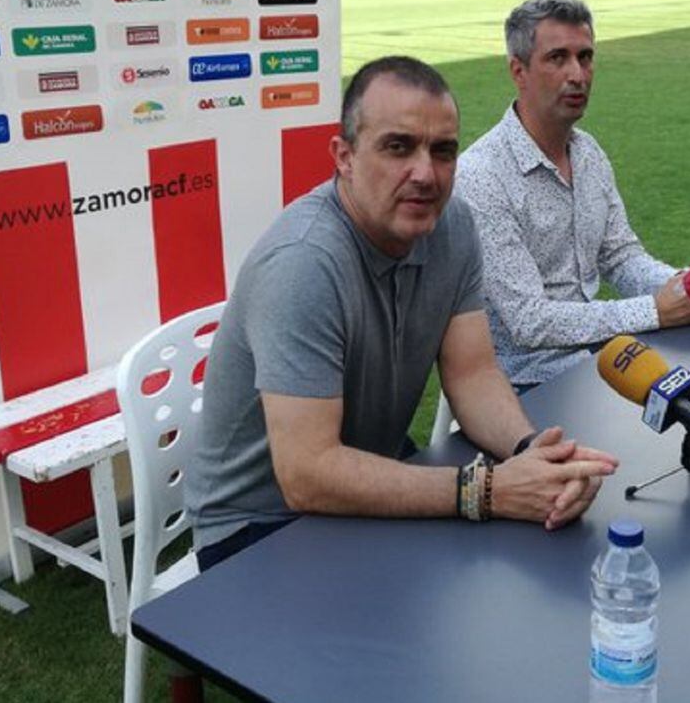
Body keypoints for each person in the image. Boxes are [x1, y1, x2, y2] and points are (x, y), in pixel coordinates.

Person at [186, 56, 617, 570]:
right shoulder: (303, 263)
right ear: (343, 157)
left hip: (371, 474)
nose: (425, 173)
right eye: (398, 147)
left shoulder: (452, 225)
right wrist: (485, 491)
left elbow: (473, 373)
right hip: (258, 528)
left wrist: (529, 452)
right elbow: (307, 474)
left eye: (443, 151)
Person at [455, 0, 690, 391]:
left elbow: (621, 258)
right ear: (518, 71)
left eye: (585, 57)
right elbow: (530, 322)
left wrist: (681, 286)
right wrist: (655, 310)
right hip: (527, 386)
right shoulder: (480, 177)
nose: (578, 74)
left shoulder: (588, 154)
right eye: (558, 58)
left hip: (604, 361)